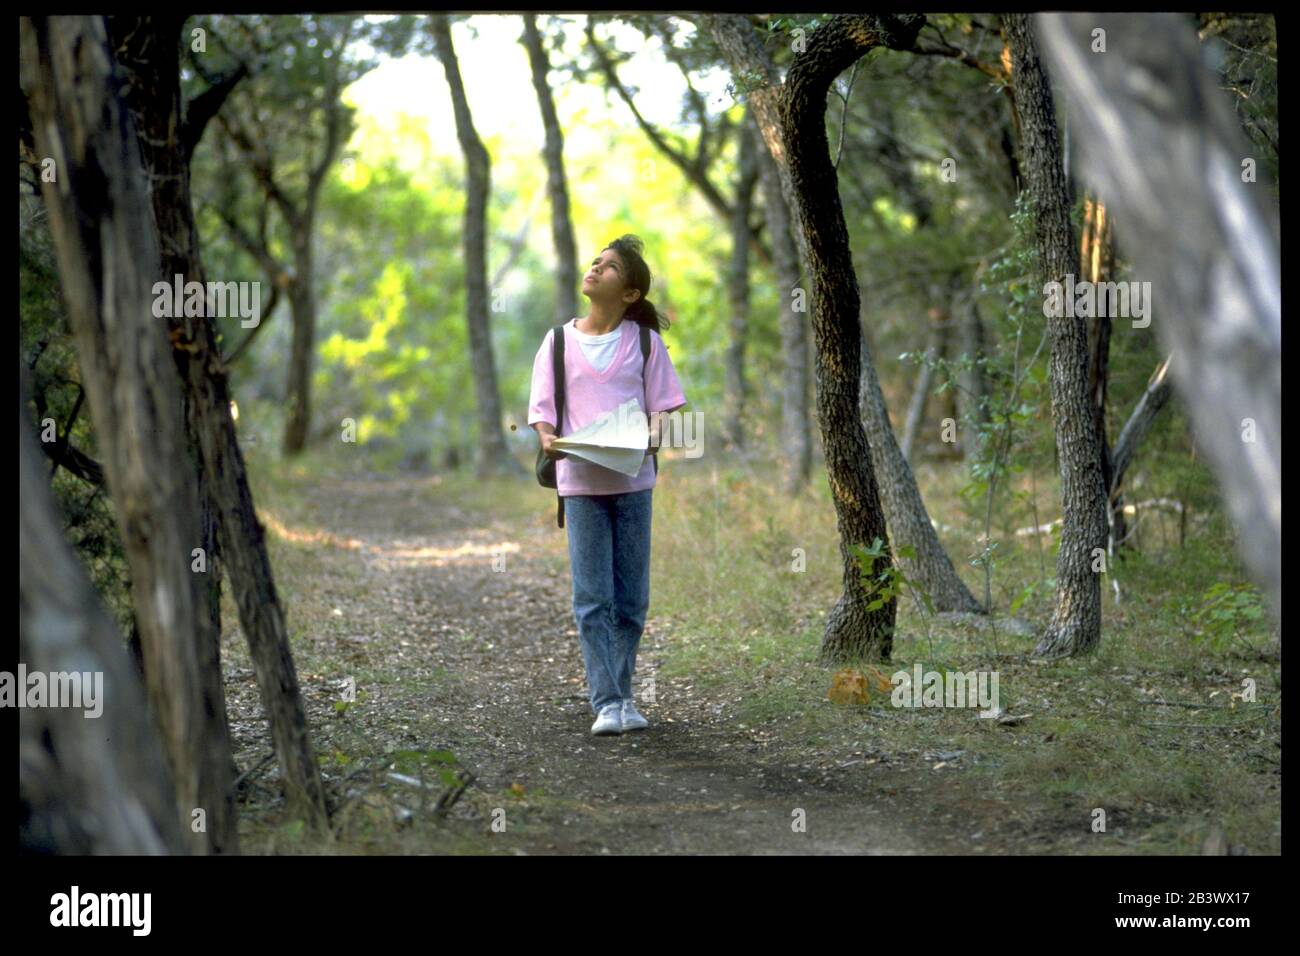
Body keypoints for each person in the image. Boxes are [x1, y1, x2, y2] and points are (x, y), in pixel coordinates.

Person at [527, 235, 688, 736]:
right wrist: (549, 439)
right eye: (595, 262)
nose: (595, 269)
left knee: (632, 598)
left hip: (634, 481)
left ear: (631, 293)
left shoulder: (645, 343)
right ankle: (608, 702)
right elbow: (542, 414)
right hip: (580, 484)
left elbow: (662, 408)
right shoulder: (557, 342)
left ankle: (623, 698)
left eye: (610, 266)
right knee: (593, 597)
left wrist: (653, 438)